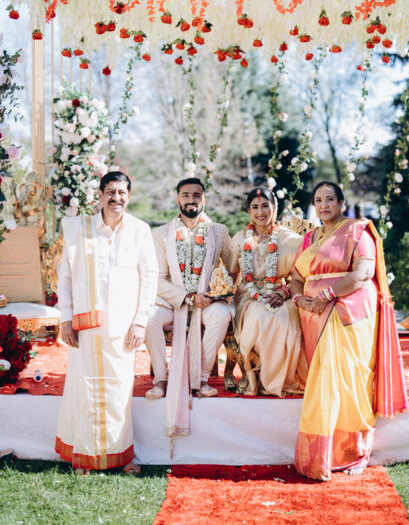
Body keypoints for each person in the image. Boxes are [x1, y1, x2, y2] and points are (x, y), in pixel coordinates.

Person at [290, 181, 408, 481]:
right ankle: (324, 453)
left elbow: (363, 274)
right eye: (318, 200)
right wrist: (299, 299)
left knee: (350, 380)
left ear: (341, 203)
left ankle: (355, 451)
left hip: (349, 311)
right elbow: (296, 277)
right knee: (324, 380)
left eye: (330, 199)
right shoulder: (309, 238)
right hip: (312, 314)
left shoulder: (357, 231)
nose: (324, 205)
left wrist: (326, 296)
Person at [55, 171, 157, 474]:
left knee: (119, 392)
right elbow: (65, 277)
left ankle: (121, 456)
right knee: (84, 390)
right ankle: (85, 457)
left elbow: (149, 278)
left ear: (130, 196)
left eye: (122, 192)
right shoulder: (79, 229)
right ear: (99, 195)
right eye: (110, 191)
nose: (116, 197)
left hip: (123, 329)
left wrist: (140, 322)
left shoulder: (139, 230)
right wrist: (65, 319)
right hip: (86, 326)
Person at [144, 178, 232, 439]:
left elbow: (232, 269)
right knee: (149, 318)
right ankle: (161, 379)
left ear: (204, 199)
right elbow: (157, 279)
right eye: (185, 195)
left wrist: (215, 293)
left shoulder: (218, 231)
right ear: (177, 199)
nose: (191, 199)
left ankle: (201, 378)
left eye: (196, 195)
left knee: (222, 315)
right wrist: (187, 297)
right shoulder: (161, 234)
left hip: (207, 301)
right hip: (174, 302)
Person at [231, 187, 307, 396]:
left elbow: (300, 280)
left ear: (275, 207)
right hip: (248, 296)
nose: (260, 212)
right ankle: (261, 378)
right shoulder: (240, 239)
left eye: (265, 205)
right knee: (259, 315)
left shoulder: (292, 240)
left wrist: (283, 293)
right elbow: (230, 274)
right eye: (255, 207)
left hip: (283, 294)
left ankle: (278, 380)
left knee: (280, 318)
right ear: (249, 211)